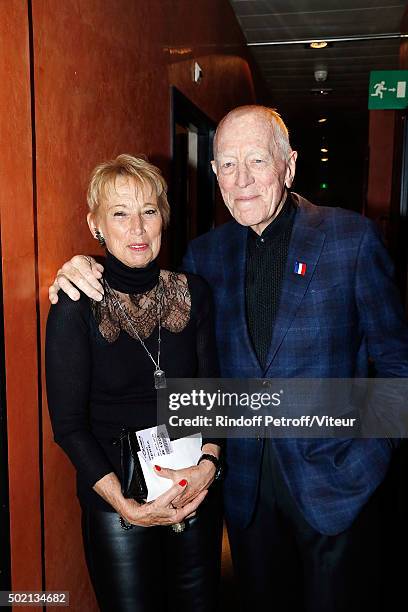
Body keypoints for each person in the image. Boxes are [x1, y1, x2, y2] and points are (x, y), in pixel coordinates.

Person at [48, 107, 408, 612]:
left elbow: (397, 368)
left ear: (289, 165)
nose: (242, 180)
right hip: (245, 495)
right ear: (214, 174)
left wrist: (368, 464)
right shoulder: (204, 258)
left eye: (257, 160)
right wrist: (79, 265)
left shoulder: (352, 240)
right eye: (227, 164)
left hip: (337, 489)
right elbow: (179, 353)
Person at [45, 154, 223, 612]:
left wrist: (207, 467)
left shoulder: (193, 292)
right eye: (120, 214)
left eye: (148, 211)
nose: (138, 229)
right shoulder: (75, 307)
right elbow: (67, 426)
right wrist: (125, 506)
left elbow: (211, 393)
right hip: (118, 503)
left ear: (164, 216)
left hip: (193, 490)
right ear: (96, 224)